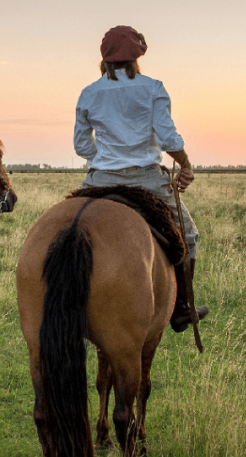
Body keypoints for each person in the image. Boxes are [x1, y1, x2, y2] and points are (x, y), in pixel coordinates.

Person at [74, 25, 209, 332]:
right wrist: (185, 164)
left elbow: (82, 146)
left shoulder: (89, 93)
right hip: (146, 180)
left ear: (104, 60)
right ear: (136, 58)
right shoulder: (152, 88)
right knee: (188, 235)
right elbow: (168, 139)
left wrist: (107, 162)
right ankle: (181, 309)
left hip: (98, 181)